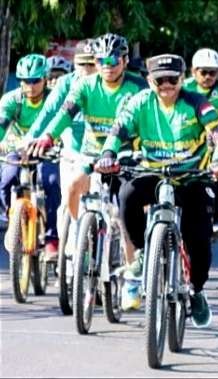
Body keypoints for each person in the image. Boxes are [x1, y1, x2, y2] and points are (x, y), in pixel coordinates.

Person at [96, 54, 218, 327]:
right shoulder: (139, 103)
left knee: (199, 239)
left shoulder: (197, 103)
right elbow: (119, 128)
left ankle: (196, 290)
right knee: (127, 196)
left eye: (173, 79)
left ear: (181, 80)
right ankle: (139, 253)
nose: (167, 85)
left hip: (191, 177)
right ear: (150, 81)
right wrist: (107, 152)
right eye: (160, 80)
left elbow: (217, 131)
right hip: (153, 171)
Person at [30, 33, 148, 307]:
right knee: (72, 187)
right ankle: (80, 241)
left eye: (114, 60)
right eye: (101, 60)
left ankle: (132, 277)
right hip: (92, 153)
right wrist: (48, 137)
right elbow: (64, 114)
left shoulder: (138, 87)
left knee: (122, 214)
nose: (108, 65)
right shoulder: (84, 85)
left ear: (125, 61)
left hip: (126, 155)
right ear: (95, 62)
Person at [26, 39, 97, 258]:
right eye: (80, 64)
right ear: (74, 63)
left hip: (102, 155)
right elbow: (48, 114)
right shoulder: (66, 84)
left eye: (90, 64)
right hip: (72, 153)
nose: (85, 70)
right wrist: (31, 139)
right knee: (68, 200)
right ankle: (70, 254)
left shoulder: (107, 85)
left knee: (109, 208)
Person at [0, 54, 61, 258]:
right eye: (26, 81)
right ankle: (13, 221)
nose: (31, 86)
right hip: (18, 148)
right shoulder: (12, 100)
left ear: (45, 78)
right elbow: (2, 124)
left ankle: (52, 238)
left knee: (52, 182)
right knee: (7, 178)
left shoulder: (54, 99)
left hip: (49, 149)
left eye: (36, 80)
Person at [184, 48, 218, 236]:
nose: (208, 76)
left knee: (216, 175)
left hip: (217, 141)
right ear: (193, 71)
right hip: (191, 140)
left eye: (213, 72)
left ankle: (214, 220)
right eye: (203, 72)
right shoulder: (185, 87)